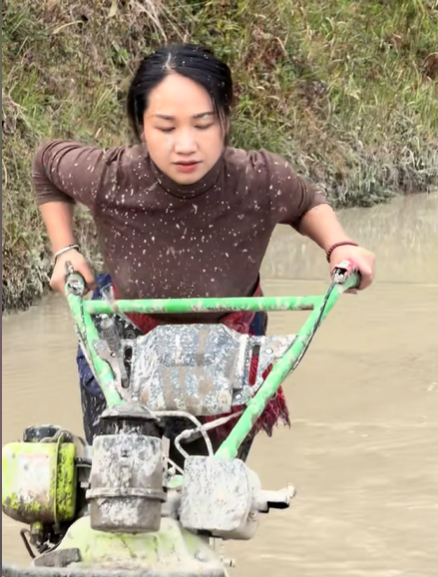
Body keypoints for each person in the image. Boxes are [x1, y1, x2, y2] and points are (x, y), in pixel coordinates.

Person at [32, 43, 374, 459]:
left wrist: (339, 245)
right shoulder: (110, 176)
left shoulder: (259, 179)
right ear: (141, 126)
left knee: (212, 480)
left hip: (230, 342)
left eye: (202, 124)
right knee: (121, 477)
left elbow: (306, 204)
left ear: (224, 120)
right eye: (166, 127)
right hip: (126, 340)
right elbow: (46, 165)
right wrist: (65, 250)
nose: (185, 145)